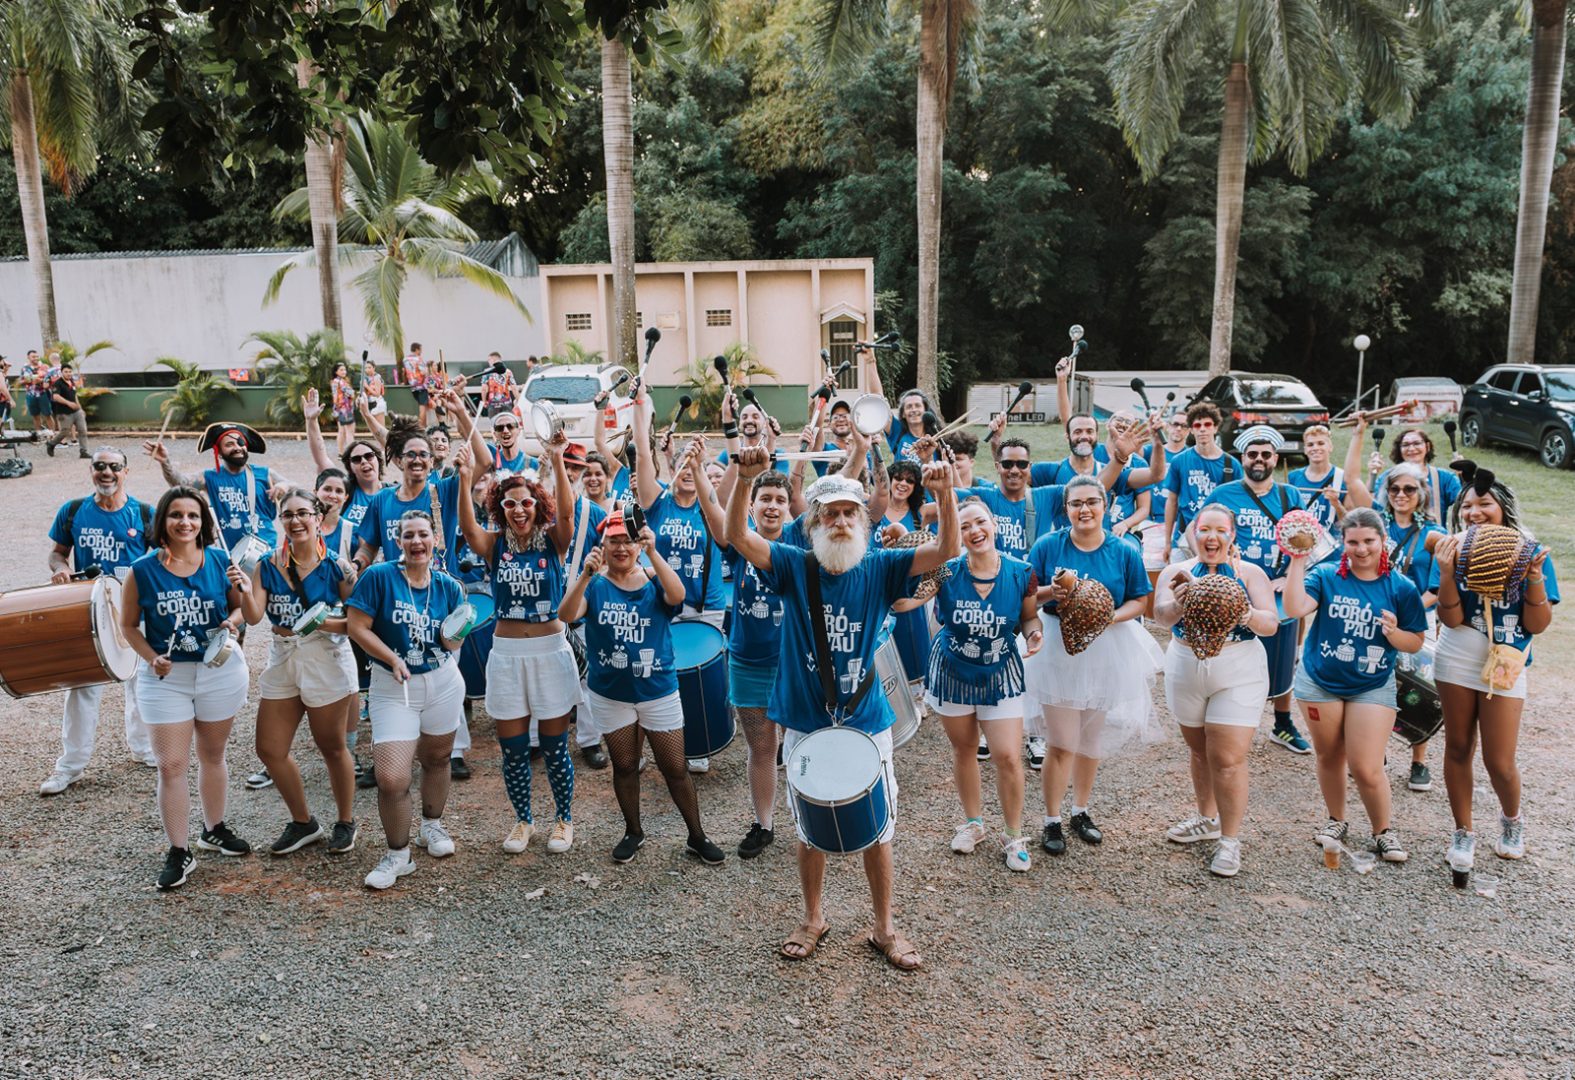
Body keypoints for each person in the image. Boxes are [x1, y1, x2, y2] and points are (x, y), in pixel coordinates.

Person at [729, 449, 958, 971]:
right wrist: (743, 479)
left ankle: (884, 927)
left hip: (866, 720)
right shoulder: (793, 564)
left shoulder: (882, 567)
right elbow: (738, 536)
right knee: (809, 830)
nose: (839, 521)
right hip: (806, 720)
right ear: (813, 523)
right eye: (829, 513)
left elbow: (947, 548)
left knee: (879, 829)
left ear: (863, 521)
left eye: (849, 513)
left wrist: (945, 495)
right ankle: (813, 918)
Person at [558, 510, 727, 866]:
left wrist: (653, 552)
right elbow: (567, 615)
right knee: (625, 766)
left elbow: (677, 595)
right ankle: (633, 831)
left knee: (675, 768)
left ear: (638, 545)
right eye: (614, 541)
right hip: (611, 695)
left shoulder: (652, 578)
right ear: (602, 546)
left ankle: (697, 835)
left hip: (657, 691)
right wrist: (585, 574)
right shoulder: (596, 584)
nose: (621, 548)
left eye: (628, 541)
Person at [119, 487, 253, 890]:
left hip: (218, 670)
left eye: (193, 515)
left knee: (213, 755)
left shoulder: (219, 560)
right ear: (163, 521)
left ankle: (214, 829)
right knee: (171, 765)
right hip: (166, 678)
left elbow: (239, 608)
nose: (185, 522)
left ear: (203, 522)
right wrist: (150, 657)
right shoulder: (142, 570)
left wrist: (232, 621)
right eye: (176, 514)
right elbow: (128, 625)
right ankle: (179, 850)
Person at [456, 434, 582, 854]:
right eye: (509, 504)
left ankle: (563, 819)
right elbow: (468, 529)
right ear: (500, 508)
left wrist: (558, 459)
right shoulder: (494, 546)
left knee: (554, 747)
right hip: (507, 656)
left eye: (526, 502)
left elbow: (567, 512)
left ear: (537, 505)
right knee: (512, 750)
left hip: (549, 653)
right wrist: (463, 479)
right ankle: (523, 821)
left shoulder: (553, 540)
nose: (519, 509)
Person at [1026, 475, 1162, 857]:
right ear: (1066, 508)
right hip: (1057, 646)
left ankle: (1080, 811)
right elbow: (1027, 595)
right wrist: (1052, 591)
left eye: (1091, 502)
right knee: (1061, 742)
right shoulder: (1048, 545)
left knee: (1089, 740)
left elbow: (1140, 600)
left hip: (1106, 645)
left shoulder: (1123, 550)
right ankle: (1051, 818)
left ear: (1105, 506)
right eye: (1076, 503)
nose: (1084, 509)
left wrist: (1107, 616)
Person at [1282, 506, 1427, 864]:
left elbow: (1415, 642)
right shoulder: (1326, 575)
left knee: (1365, 765)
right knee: (1330, 755)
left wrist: (1394, 633)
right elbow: (1295, 608)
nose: (1361, 549)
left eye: (1369, 541)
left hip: (1371, 684)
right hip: (1319, 681)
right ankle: (1336, 820)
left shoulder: (1401, 587)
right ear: (1343, 542)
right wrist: (1297, 559)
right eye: (1353, 542)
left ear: (1383, 541)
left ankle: (1383, 832)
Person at [1431, 463, 1558, 870]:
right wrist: (1447, 573)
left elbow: (1537, 624)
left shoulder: (1530, 550)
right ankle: (1463, 831)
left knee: (1499, 760)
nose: (1474, 512)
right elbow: (1451, 618)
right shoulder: (1453, 547)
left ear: (1502, 506)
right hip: (1457, 652)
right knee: (1458, 747)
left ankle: (1512, 820)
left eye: (1483, 503)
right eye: (1467, 506)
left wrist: (1534, 577)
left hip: (1506, 658)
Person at [1152, 505, 1282, 877]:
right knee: (1199, 750)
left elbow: (1271, 624)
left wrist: (1244, 612)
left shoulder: (1250, 573)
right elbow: (1160, 617)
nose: (1212, 537)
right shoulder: (1176, 572)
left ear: (1232, 535)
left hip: (1237, 666)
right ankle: (1206, 819)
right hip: (1185, 663)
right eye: (1204, 529)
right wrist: (1179, 602)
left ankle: (1230, 840)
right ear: (1193, 533)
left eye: (1220, 530)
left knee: (1226, 758)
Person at [347, 510, 469, 889]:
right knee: (391, 777)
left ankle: (431, 826)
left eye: (423, 535)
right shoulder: (378, 577)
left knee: (438, 759)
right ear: (398, 541)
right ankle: (398, 855)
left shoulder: (449, 587)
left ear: (435, 540)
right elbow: (356, 626)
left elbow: (452, 641)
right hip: (393, 685)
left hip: (442, 681)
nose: (417, 542)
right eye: (409, 535)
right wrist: (391, 657)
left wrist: (458, 632)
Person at [236, 488, 359, 856]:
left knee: (332, 746)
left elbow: (358, 623)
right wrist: (244, 590)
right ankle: (303, 821)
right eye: (288, 515)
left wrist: (320, 623)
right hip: (283, 654)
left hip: (325, 656)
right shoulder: (267, 564)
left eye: (303, 513)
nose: (296, 520)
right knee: (269, 749)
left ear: (318, 519)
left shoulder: (338, 566)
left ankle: (345, 821)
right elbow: (254, 617)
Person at [929, 498, 1042, 872]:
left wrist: (1035, 634)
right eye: (964, 526)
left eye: (980, 522)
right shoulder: (945, 571)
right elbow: (907, 601)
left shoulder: (1021, 572)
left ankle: (1013, 834)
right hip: (953, 672)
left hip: (999, 672)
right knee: (964, 749)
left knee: (1007, 755)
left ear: (994, 524)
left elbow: (1029, 618)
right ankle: (974, 823)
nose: (974, 531)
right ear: (956, 534)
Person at [38, 448, 157, 795]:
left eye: (114, 466)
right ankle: (70, 767)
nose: (107, 472)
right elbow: (57, 552)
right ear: (91, 470)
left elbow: (161, 554)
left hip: (134, 608)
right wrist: (61, 568)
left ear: (126, 471)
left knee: (141, 680)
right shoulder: (73, 510)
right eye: (100, 466)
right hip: (89, 609)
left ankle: (144, 749)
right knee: (83, 687)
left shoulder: (144, 513)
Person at [1208, 425, 1311, 753]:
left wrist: (1290, 576)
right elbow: (1202, 532)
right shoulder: (1222, 494)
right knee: (1227, 651)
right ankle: (1220, 719)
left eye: (1266, 454)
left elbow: (1305, 541)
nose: (1259, 459)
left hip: (1277, 589)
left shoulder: (1289, 495)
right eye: (1252, 454)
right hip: (1234, 586)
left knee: (1282, 656)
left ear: (1275, 458)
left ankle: (1282, 723)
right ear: (1243, 458)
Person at [351, 390, 488, 576]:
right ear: (399, 461)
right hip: (398, 589)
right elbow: (368, 548)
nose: (417, 459)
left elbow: (484, 461)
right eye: (410, 454)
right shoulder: (381, 500)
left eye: (423, 454)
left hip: (439, 589)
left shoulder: (445, 490)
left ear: (431, 461)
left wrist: (461, 412)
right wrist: (356, 564)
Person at [1370, 461, 1445, 792]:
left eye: (1409, 489)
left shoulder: (1435, 534)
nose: (1401, 494)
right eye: (1394, 488)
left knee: (1417, 690)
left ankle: (1419, 759)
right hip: (1378, 618)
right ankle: (1377, 753)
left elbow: (1436, 588)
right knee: (1376, 683)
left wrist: (1406, 613)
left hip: (1416, 619)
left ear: (1421, 493)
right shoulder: (1377, 526)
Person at [144, 422, 283, 552]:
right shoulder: (209, 477)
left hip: (267, 549)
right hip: (231, 554)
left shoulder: (265, 474)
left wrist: (284, 486)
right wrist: (165, 462)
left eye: (241, 442)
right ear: (218, 452)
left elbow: (294, 490)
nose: (237, 447)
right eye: (229, 444)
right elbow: (180, 484)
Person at [1161, 401, 1243, 563]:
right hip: (1184, 538)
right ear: (1191, 430)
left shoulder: (1231, 465)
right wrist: (1167, 542)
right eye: (1197, 425)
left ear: (1215, 428)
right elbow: (1172, 501)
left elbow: (1239, 506)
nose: (1203, 429)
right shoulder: (1180, 461)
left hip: (1218, 540)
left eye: (1207, 424)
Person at [1372, 426, 1461, 522]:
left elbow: (1464, 501)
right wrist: (1371, 474)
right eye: (1405, 445)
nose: (1411, 448)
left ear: (1427, 447)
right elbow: (1371, 505)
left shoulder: (1444, 478)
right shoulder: (1386, 478)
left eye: (1417, 443)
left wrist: (1463, 476)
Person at [1286, 424, 1348, 537]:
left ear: (1330, 447)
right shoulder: (1293, 477)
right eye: (1310, 445)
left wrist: (1336, 504)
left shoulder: (1342, 477)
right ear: (1305, 450)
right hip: (1301, 541)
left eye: (1321, 443)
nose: (1315, 448)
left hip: (1331, 542)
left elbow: (1350, 522)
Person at [44, 357, 90, 459]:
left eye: (70, 372)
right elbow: (55, 397)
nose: (68, 374)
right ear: (61, 372)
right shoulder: (57, 383)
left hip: (76, 411)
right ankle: (51, 444)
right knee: (65, 431)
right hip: (64, 412)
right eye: (66, 372)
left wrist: (80, 408)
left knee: (83, 430)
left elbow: (75, 396)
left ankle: (83, 451)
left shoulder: (72, 382)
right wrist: (69, 403)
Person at [21, 349, 52, 437]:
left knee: (48, 415)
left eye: (37, 356)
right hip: (30, 395)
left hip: (43, 393)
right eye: (33, 357)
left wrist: (41, 380)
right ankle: (38, 435)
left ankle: (52, 435)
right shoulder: (25, 368)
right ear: (28, 357)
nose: (36, 358)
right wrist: (27, 380)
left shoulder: (44, 367)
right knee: (35, 415)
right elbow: (21, 381)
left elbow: (50, 379)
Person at [404, 342, 435, 428]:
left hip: (412, 386)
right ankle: (422, 427)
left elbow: (406, 372)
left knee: (419, 406)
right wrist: (428, 371)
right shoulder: (418, 359)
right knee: (422, 407)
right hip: (421, 386)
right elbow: (423, 372)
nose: (421, 351)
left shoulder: (405, 359)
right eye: (420, 349)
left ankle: (422, 426)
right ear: (417, 349)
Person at [329, 362, 357, 453]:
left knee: (341, 431)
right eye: (341, 370)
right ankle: (351, 453)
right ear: (336, 371)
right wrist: (353, 393)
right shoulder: (341, 382)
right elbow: (351, 393)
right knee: (350, 432)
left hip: (338, 409)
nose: (344, 371)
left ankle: (341, 453)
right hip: (345, 409)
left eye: (344, 369)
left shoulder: (334, 381)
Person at [481, 353, 518, 418]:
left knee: (494, 422)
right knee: (507, 421)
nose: (488, 362)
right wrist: (518, 399)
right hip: (506, 403)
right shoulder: (508, 372)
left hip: (493, 404)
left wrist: (484, 401)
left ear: (493, 359)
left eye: (489, 360)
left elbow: (484, 389)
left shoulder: (487, 372)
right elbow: (514, 388)